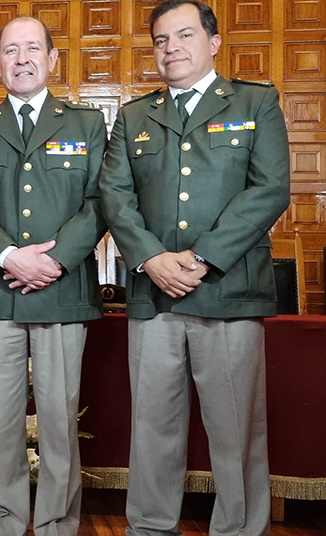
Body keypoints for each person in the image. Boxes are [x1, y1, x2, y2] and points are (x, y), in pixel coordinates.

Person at [98, 1, 290, 535]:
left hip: (228, 291)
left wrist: (203, 257)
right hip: (153, 292)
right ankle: (151, 528)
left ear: (213, 42)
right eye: (160, 39)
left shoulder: (256, 102)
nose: (171, 47)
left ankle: (241, 530)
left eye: (183, 35)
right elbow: (114, 194)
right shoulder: (136, 115)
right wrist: (153, 258)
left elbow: (269, 189)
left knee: (235, 431)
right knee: (152, 427)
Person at [0, 16, 108, 536]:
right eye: (11, 50)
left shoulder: (86, 124)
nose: (22, 58)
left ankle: (58, 524)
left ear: (52, 59)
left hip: (63, 289)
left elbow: (99, 202)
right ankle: (6, 520)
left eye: (32, 48)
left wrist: (55, 259)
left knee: (60, 420)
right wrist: (10, 256)